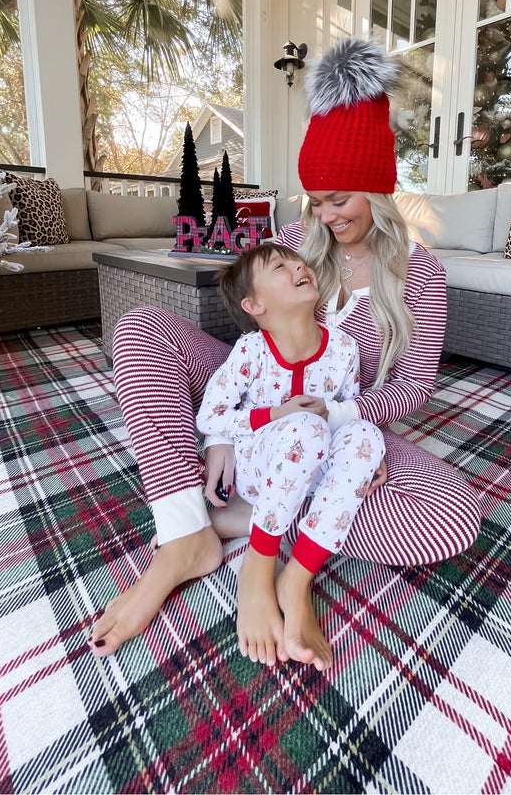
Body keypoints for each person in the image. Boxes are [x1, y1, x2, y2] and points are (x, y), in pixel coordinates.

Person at [89, 36, 481, 660]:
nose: (325, 216)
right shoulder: (296, 240)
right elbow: (254, 320)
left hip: (345, 419)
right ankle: (184, 534)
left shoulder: (420, 272)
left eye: (340, 199)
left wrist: (342, 420)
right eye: (315, 201)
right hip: (261, 396)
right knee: (139, 327)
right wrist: (221, 434)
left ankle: (246, 522)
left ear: (379, 191)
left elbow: (414, 387)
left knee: (450, 515)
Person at [195, 242, 385, 669]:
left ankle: (297, 578)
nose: (299, 266)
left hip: (314, 470)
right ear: (255, 305)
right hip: (258, 467)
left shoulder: (344, 348)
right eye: (281, 266)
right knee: (305, 427)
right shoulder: (251, 350)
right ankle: (259, 566)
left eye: (297, 261)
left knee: (367, 434)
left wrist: (369, 453)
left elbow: (346, 412)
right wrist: (276, 415)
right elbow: (211, 415)